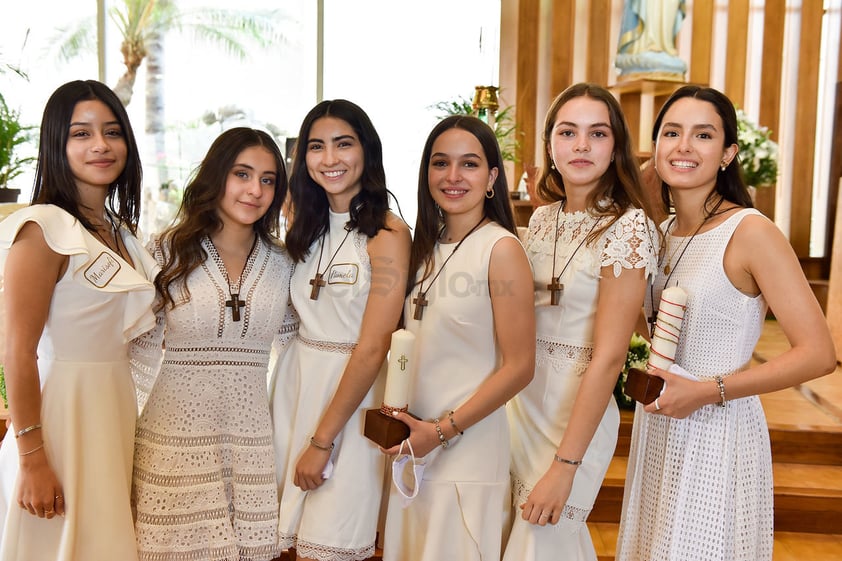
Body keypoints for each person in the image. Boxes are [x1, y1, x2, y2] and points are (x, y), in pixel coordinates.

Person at [616, 85, 837, 561]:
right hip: (660, 426)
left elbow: (818, 355)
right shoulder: (658, 234)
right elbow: (649, 330)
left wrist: (705, 391)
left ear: (727, 153)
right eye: (672, 133)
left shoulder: (751, 232)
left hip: (718, 426)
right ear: (655, 148)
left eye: (703, 135)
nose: (684, 146)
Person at [502, 83, 659, 561]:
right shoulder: (542, 220)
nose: (582, 145)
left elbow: (611, 356)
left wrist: (566, 465)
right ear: (550, 144)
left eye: (598, 133)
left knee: (539, 542)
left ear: (616, 148)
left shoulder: (628, 227)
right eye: (568, 132)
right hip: (518, 407)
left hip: (574, 416)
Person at [0, 79, 156, 560]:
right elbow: (16, 351)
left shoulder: (121, 232)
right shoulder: (42, 228)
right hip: (60, 413)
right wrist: (32, 460)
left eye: (112, 132)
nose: (101, 145)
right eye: (81, 133)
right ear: (56, 144)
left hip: (112, 408)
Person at [129, 127, 294, 561]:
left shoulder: (284, 263)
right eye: (242, 174)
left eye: (267, 179)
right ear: (216, 176)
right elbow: (136, 350)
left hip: (251, 438)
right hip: (172, 440)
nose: (254, 190)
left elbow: (300, 350)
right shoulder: (167, 251)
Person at [381, 115, 535, 561]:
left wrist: (442, 431)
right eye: (440, 163)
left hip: (465, 450)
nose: (452, 177)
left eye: (469, 164)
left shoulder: (500, 249)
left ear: (491, 177)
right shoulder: (424, 248)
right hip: (415, 445)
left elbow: (520, 367)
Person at [269, 99, 411, 561]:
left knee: (330, 543)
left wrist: (322, 440)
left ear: (366, 151)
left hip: (351, 399)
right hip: (295, 388)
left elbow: (373, 347)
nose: (329, 159)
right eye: (316, 147)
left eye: (343, 144)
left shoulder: (388, 233)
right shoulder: (302, 227)